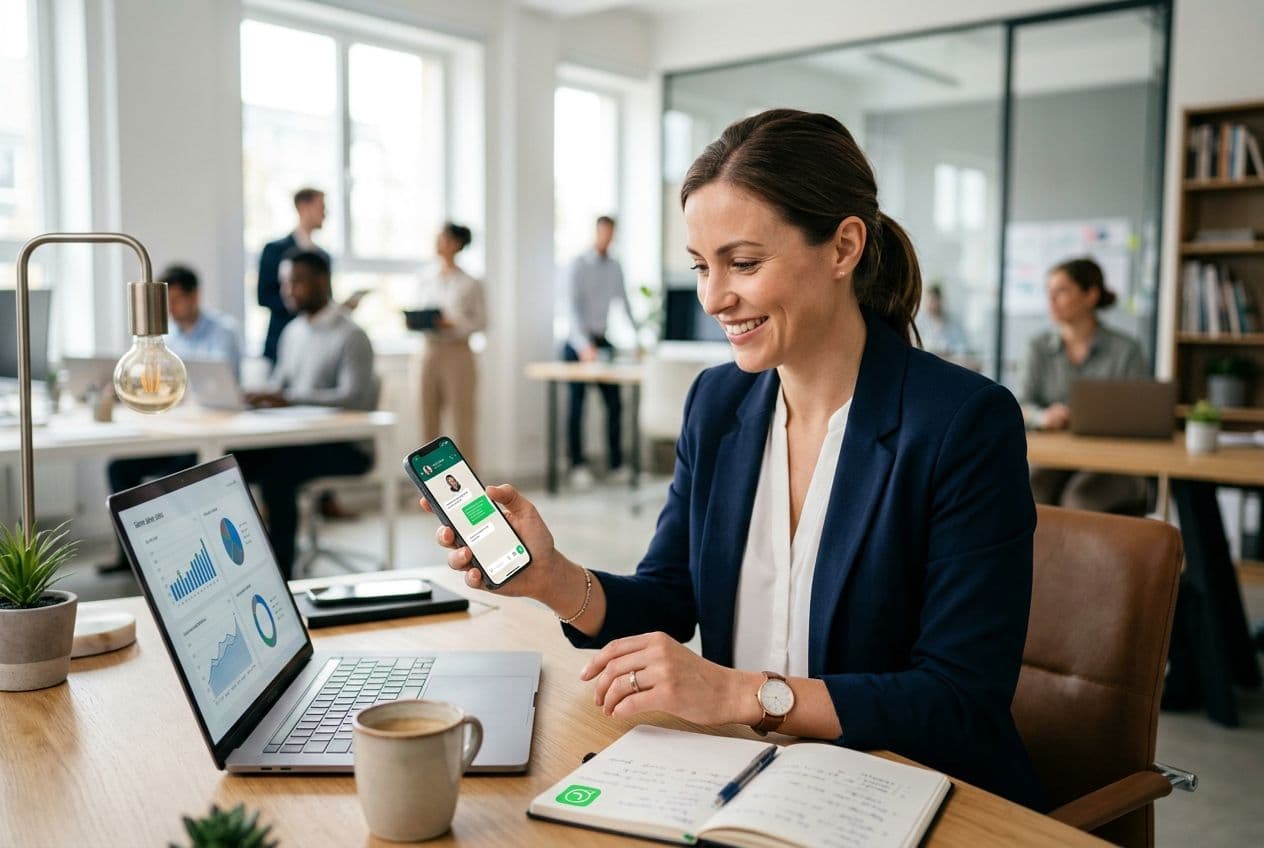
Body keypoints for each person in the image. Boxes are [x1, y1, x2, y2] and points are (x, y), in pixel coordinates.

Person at [425, 109, 1045, 809]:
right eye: (700, 266)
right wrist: (556, 579)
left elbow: (960, 699)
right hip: (743, 783)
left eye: (743, 263)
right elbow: (670, 597)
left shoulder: (962, 422)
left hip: (906, 791)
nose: (714, 297)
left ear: (843, 248)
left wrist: (740, 693)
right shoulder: (719, 404)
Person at [236, 250, 377, 578]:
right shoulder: (292, 332)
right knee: (234, 462)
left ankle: (281, 573)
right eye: (285, 283)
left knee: (277, 473)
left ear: (321, 281)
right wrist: (262, 397)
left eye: (296, 282)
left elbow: (353, 398)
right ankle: (245, 559)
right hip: (298, 440)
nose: (287, 290)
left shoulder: (351, 335)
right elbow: (280, 386)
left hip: (346, 446)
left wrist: (287, 398)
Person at [102, 264, 242, 572]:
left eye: (177, 300)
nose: (171, 309)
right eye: (167, 302)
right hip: (173, 430)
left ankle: (185, 557)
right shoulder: (164, 340)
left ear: (196, 296)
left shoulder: (223, 332)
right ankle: (131, 558)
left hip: (208, 434)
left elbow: (223, 384)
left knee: (181, 472)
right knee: (120, 469)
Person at [1021, 257, 1149, 513]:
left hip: (1112, 463)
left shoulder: (1126, 350)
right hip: (1054, 459)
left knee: (1080, 500)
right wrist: (1043, 416)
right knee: (1028, 493)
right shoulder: (1038, 348)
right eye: (1049, 292)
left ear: (1091, 295)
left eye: (1062, 291)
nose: (1051, 300)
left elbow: (1141, 415)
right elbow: (1020, 405)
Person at [562, 215, 637, 488]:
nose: (607, 238)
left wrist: (637, 338)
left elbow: (624, 303)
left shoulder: (615, 267)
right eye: (604, 232)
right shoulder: (578, 265)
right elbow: (570, 310)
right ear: (596, 232)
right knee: (577, 406)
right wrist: (584, 346)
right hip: (577, 344)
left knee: (615, 403)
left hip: (601, 340)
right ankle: (576, 465)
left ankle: (616, 464)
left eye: (612, 234)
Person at [415, 223, 486, 464]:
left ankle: (471, 490)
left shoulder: (471, 283)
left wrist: (453, 324)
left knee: (462, 422)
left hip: (458, 353)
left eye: (443, 238)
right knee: (427, 421)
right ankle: (426, 489)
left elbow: (481, 322)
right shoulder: (425, 278)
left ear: (456, 243)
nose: (438, 242)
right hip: (428, 351)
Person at [258, 187, 329, 367]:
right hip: (280, 339)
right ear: (303, 207)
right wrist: (301, 305)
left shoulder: (323, 256)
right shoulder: (274, 250)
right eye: (321, 207)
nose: (325, 214)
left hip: (318, 344)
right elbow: (264, 296)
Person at [919, 284, 967, 358]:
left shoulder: (952, 321)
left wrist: (947, 351)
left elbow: (961, 348)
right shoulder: (921, 322)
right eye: (927, 300)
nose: (928, 304)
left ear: (939, 300)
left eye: (932, 300)